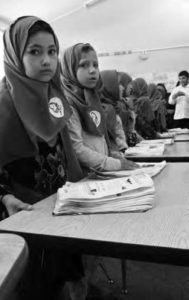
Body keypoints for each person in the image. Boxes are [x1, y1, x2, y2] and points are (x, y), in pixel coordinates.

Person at [0, 16, 86, 300]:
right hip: (23, 216)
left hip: (61, 208)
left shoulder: (55, 98)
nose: (47, 60)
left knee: (66, 281)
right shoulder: (3, 105)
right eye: (34, 51)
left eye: (52, 51)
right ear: (14, 54)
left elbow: (67, 154)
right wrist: (3, 197)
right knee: (34, 288)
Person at [61, 43, 138, 171]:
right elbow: (77, 148)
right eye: (83, 65)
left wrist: (114, 156)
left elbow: (101, 140)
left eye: (95, 65)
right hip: (84, 176)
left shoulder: (92, 99)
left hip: (99, 171)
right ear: (70, 68)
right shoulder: (69, 102)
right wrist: (115, 164)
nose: (92, 70)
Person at [100, 69, 128, 153]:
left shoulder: (114, 107)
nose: (122, 88)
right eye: (118, 84)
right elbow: (112, 145)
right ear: (110, 86)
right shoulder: (106, 110)